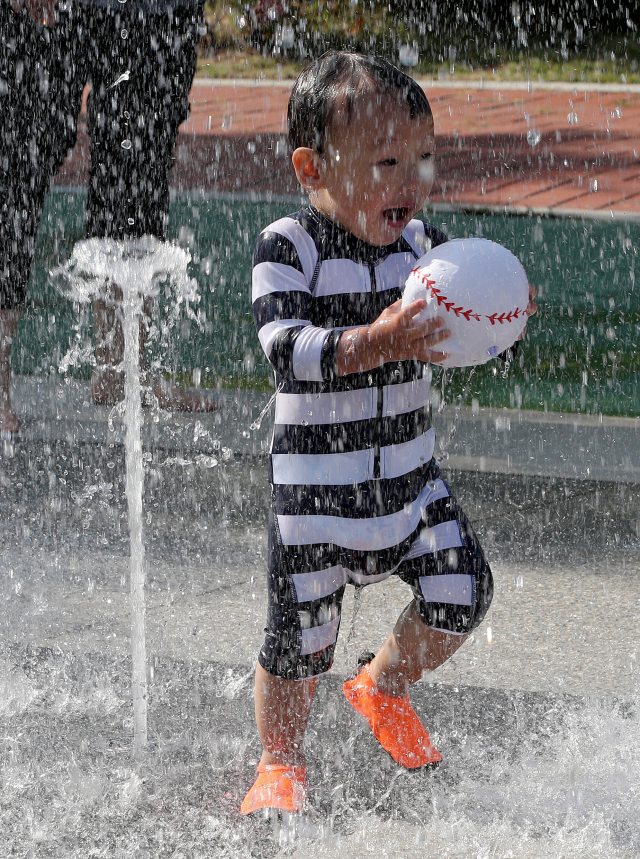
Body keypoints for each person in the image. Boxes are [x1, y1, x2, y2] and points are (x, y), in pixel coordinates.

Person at [241, 51, 536, 815]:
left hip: (409, 484)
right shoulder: (289, 248)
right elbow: (285, 353)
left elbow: (458, 327)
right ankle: (280, 760)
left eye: (423, 160)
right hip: (316, 499)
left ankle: (381, 684)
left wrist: (500, 318)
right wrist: (379, 340)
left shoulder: (422, 249)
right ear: (313, 169)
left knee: (462, 591)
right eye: (386, 162)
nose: (409, 182)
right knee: (297, 642)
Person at [0, 0, 216, 435]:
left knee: (138, 167)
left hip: (156, 11)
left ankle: (121, 369)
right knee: (16, 163)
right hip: (56, 10)